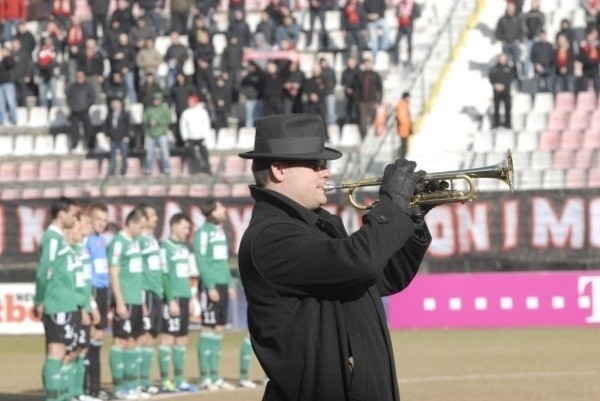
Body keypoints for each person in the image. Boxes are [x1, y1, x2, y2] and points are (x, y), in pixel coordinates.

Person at [237, 113, 433, 401]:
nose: (326, 172)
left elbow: (384, 277)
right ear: (278, 169)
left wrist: (411, 219)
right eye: (316, 165)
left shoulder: (317, 224)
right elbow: (358, 261)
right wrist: (391, 206)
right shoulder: (271, 237)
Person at [33, 196, 79, 401]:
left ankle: (61, 396)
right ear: (61, 214)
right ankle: (53, 398)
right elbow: (45, 271)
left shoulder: (59, 238)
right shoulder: (51, 238)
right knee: (56, 351)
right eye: (72, 213)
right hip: (57, 302)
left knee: (64, 352)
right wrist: (40, 300)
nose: (74, 217)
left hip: (65, 302)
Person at [194, 198, 236, 391]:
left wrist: (228, 283)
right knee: (208, 328)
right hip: (210, 286)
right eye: (221, 207)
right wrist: (210, 286)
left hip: (222, 284)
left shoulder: (219, 232)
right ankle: (205, 377)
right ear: (212, 212)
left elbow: (222, 261)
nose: (224, 210)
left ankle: (215, 376)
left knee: (219, 329)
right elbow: (202, 261)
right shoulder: (203, 233)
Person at [107, 208, 147, 400]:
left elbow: (137, 275)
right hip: (125, 300)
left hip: (136, 300)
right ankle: (118, 387)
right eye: (140, 226)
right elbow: (113, 273)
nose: (141, 230)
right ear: (131, 223)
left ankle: (131, 385)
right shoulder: (118, 243)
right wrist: (120, 302)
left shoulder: (135, 243)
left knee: (133, 341)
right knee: (120, 341)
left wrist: (142, 300)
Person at [158, 213, 198, 392]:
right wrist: (171, 299)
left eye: (188, 228)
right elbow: (164, 276)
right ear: (173, 226)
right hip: (172, 299)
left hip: (184, 297)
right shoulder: (164, 248)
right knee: (168, 338)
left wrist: (189, 298)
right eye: (184, 227)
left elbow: (186, 276)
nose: (187, 231)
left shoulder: (184, 248)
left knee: (182, 338)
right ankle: (165, 381)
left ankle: (179, 379)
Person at [85, 203, 112, 401]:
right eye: (99, 219)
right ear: (91, 219)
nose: (102, 223)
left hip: (103, 290)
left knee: (98, 339)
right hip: (93, 289)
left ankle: (95, 387)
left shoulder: (101, 240)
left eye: (105, 219)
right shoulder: (86, 240)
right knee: (89, 339)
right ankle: (88, 387)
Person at [135, 203, 162, 395]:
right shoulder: (139, 241)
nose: (156, 219)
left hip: (156, 292)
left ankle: (145, 380)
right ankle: (136, 381)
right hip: (145, 292)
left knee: (151, 336)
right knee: (142, 337)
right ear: (143, 219)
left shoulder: (152, 239)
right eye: (152, 215)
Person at [179, 94, 212, 174]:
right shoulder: (186, 113)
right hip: (190, 137)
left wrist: (205, 136)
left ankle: (207, 169)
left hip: (201, 136)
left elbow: (206, 125)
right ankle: (194, 170)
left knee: (204, 154)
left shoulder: (203, 112)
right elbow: (183, 126)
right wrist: (185, 137)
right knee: (191, 154)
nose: (189, 103)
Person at [142, 91, 172, 176]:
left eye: (157, 100)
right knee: (150, 153)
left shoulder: (164, 109)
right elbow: (144, 120)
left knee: (165, 152)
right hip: (152, 133)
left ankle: (166, 169)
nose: (156, 101)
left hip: (162, 133)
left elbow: (168, 120)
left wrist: (158, 121)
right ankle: (148, 169)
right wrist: (149, 122)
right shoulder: (149, 109)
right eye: (154, 100)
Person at [66, 70, 95, 151]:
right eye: (77, 77)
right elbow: (69, 98)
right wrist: (72, 106)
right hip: (74, 111)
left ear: (84, 77)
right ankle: (74, 145)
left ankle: (90, 145)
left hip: (85, 111)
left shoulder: (88, 86)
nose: (79, 78)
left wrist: (86, 106)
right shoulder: (72, 87)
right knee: (74, 129)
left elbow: (92, 98)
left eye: (81, 77)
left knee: (88, 129)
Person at [104, 98, 132, 176]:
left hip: (122, 138)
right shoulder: (110, 115)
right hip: (113, 139)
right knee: (112, 156)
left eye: (116, 103)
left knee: (124, 155)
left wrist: (127, 136)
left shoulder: (125, 114)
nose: (115, 105)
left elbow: (129, 126)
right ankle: (112, 171)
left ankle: (123, 170)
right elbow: (106, 126)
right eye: (113, 103)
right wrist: (107, 135)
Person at [489, 52, 515, 129]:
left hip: (506, 91)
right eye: (501, 58)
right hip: (496, 92)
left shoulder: (509, 69)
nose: (502, 60)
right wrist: (495, 85)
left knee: (507, 108)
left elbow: (510, 78)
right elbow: (491, 78)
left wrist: (503, 85)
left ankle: (508, 124)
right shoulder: (494, 69)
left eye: (504, 58)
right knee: (496, 108)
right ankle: (496, 124)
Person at [395, 92, 411, 159]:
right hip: (403, 128)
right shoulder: (402, 105)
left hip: (404, 128)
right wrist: (408, 125)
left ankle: (403, 158)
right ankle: (402, 159)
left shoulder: (404, 104)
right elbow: (402, 117)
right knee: (403, 145)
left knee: (404, 145)